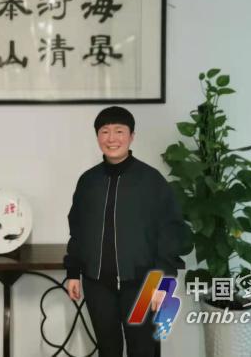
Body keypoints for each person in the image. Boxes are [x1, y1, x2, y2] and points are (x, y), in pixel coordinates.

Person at [63, 106, 186, 357]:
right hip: (98, 285)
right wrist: (73, 272)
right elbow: (77, 228)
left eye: (119, 131)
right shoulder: (88, 181)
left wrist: (162, 281)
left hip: (143, 285)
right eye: (105, 131)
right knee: (108, 350)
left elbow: (170, 231)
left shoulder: (151, 180)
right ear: (97, 137)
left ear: (131, 136)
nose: (112, 138)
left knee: (143, 350)